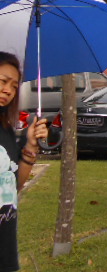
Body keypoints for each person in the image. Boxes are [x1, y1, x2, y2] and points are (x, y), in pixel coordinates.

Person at [0, 52, 48, 272]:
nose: (8, 90)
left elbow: (14, 185)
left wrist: (30, 145)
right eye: (3, 81)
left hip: (5, 245)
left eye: (14, 86)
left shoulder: (6, 129)